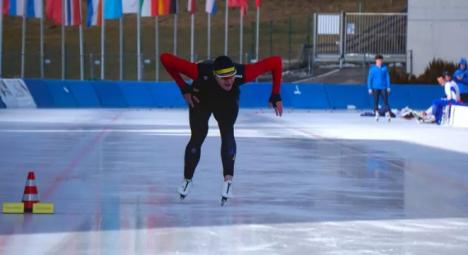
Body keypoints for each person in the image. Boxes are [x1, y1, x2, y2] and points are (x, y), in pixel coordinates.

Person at [160, 53, 283, 205]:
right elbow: (165, 58)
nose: (229, 81)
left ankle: (228, 182)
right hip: (202, 97)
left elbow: (276, 61)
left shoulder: (242, 73)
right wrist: (184, 88)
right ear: (214, 75)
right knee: (198, 136)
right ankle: (187, 179)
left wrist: (276, 94)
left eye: (231, 76)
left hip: (227, 101)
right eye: (224, 78)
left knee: (227, 132)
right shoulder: (199, 71)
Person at [367, 54, 391, 122]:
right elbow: (369, 79)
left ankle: (387, 113)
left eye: (381, 60)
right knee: (376, 101)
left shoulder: (385, 68)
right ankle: (376, 113)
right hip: (375, 88)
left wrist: (388, 87)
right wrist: (369, 88)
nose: (379, 61)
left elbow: (387, 78)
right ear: (376, 61)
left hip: (383, 87)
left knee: (385, 101)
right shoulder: (372, 69)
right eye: (378, 60)